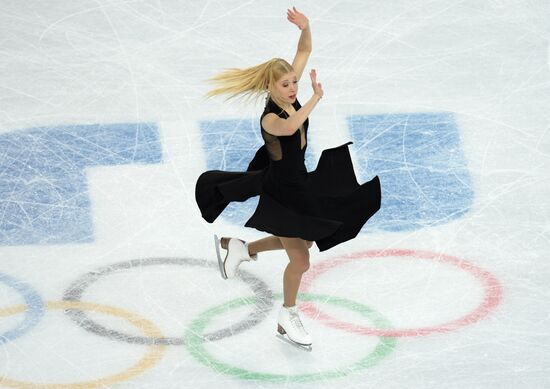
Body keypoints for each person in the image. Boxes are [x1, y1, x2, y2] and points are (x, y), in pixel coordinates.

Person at [195, 7, 381, 350]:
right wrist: (315, 97)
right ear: (271, 87)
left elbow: (304, 51)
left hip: (300, 184)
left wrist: (306, 27)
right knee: (301, 259)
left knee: (306, 241)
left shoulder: (288, 90)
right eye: (287, 84)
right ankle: (287, 315)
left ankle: (240, 247)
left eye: (295, 81)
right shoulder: (270, 118)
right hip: (281, 192)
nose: (293, 87)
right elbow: (292, 127)